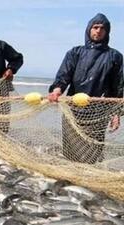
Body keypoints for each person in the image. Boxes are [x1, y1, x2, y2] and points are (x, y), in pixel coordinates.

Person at [48, 13, 123, 164]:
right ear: (89, 29)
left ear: (107, 32)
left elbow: (118, 87)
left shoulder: (115, 56)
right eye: (95, 27)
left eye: (103, 28)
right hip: (73, 109)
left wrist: (116, 114)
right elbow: (64, 75)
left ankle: (89, 172)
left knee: (92, 149)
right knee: (71, 148)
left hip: (99, 111)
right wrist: (57, 90)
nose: (98, 31)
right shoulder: (75, 53)